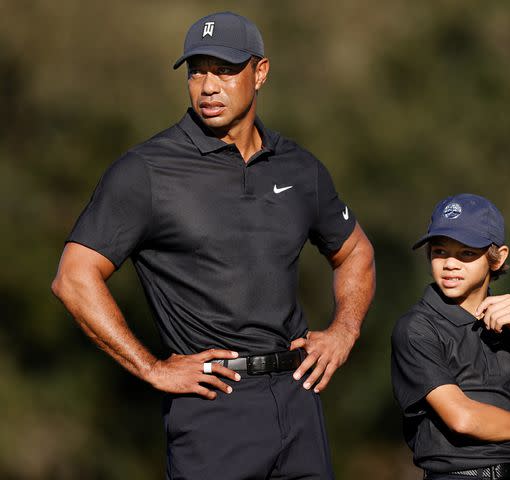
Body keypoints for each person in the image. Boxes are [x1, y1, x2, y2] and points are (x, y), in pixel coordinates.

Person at [51, 11, 375, 480]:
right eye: (197, 70)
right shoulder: (145, 171)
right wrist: (152, 368)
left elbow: (355, 253)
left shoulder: (299, 168)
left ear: (259, 73)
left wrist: (344, 330)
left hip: (298, 398)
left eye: (224, 70)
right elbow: (73, 278)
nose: (207, 86)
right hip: (212, 409)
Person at [391, 193, 510, 480]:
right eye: (440, 251)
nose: (450, 263)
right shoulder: (417, 327)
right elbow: (462, 417)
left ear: (497, 258)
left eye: (466, 253)